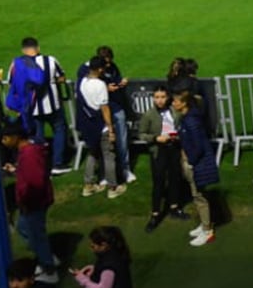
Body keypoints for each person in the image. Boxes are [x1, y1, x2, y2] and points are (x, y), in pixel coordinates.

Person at [1, 120, 58, 284]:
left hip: (34, 202)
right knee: (24, 228)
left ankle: (49, 269)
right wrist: (17, 170)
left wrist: (26, 201)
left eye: (6, 138)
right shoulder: (27, 152)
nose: (3, 142)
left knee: (35, 234)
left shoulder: (29, 153)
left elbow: (35, 181)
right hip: (33, 201)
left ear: (16, 137)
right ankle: (47, 257)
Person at [6, 38, 71, 175]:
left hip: (30, 108)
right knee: (59, 130)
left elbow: (12, 83)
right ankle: (57, 163)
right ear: (38, 48)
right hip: (53, 105)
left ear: (23, 50)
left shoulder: (16, 64)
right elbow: (62, 77)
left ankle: (40, 166)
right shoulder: (51, 60)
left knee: (37, 137)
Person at [137, 85, 187, 231]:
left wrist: (178, 136)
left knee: (175, 178)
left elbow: (180, 125)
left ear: (168, 97)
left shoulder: (174, 111)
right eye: (157, 97)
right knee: (158, 182)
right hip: (158, 150)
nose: (159, 100)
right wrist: (156, 138)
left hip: (174, 148)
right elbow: (141, 134)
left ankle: (174, 207)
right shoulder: (149, 115)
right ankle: (155, 214)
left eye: (162, 97)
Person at [77, 56, 126, 201]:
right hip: (100, 125)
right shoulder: (100, 85)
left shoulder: (83, 82)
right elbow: (105, 109)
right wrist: (110, 129)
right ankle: (113, 187)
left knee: (92, 153)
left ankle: (88, 185)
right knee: (109, 155)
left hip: (88, 125)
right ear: (99, 69)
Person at [173, 90, 218, 246]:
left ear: (184, 103)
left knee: (199, 196)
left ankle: (207, 231)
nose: (173, 103)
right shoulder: (189, 118)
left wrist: (190, 161)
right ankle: (204, 224)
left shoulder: (191, 121)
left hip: (197, 163)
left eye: (176, 101)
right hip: (195, 161)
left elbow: (198, 146)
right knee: (197, 195)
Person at [95, 46, 136, 186]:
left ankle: (125, 169)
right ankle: (105, 173)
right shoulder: (92, 70)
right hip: (100, 108)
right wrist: (106, 88)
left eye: (109, 61)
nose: (108, 65)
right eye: (105, 62)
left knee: (122, 139)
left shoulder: (113, 67)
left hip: (115, 105)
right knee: (103, 142)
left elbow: (116, 80)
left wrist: (121, 83)